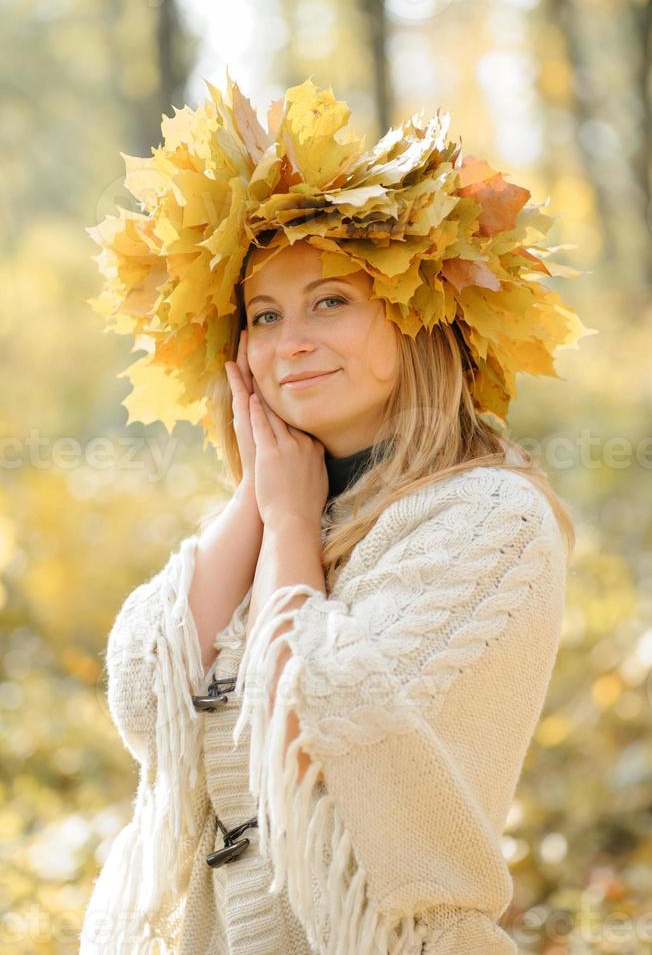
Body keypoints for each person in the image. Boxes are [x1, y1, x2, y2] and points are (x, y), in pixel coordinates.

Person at [79, 75, 594, 954]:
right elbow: (143, 698)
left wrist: (284, 529)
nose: (292, 342)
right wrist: (258, 495)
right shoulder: (285, 506)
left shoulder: (488, 518)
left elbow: (311, 737)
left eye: (332, 302)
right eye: (264, 316)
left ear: (416, 320)